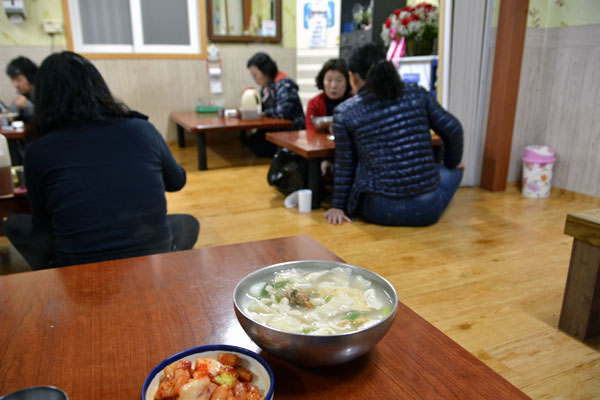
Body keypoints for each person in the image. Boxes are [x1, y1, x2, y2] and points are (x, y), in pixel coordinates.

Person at [4, 51, 199, 269]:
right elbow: (177, 181)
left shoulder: (39, 150)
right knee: (187, 224)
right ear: (98, 87)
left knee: (14, 224)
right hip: (151, 261)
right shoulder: (142, 129)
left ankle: (52, 272)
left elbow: (42, 222)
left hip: (78, 269)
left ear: (44, 98)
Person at [324, 43, 464, 226]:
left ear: (354, 77)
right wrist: (451, 162)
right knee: (454, 170)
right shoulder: (417, 93)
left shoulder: (345, 112)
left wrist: (338, 206)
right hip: (426, 210)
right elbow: (453, 129)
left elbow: (345, 164)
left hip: (379, 210)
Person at [246, 52, 305, 157]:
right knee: (250, 142)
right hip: (275, 128)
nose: (254, 79)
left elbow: (282, 113)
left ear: (265, 71)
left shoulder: (285, 84)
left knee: (257, 147)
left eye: (255, 75)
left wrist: (263, 113)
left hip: (291, 131)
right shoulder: (267, 87)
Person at [305, 58, 353, 132]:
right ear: (322, 81)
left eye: (339, 80)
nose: (333, 86)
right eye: (329, 80)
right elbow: (311, 132)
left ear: (348, 82)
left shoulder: (354, 103)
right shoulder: (314, 103)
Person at [5, 56, 37, 122]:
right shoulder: (20, 92)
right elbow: (12, 116)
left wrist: (27, 106)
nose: (15, 85)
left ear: (30, 76)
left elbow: (46, 117)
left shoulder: (42, 92)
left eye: (19, 80)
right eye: (12, 80)